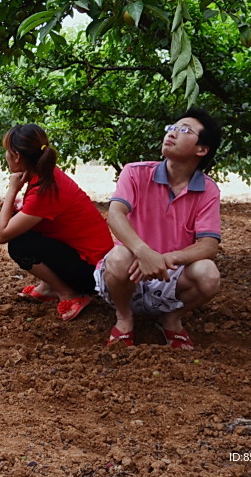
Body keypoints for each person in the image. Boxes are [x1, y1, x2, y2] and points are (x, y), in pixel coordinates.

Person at [96, 108, 223, 350]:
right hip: (128, 273)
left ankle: (171, 319)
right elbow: (115, 214)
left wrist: (164, 259)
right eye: (172, 128)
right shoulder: (135, 172)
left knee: (208, 274)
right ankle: (124, 319)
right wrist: (143, 252)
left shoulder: (208, 189)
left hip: (168, 275)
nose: (172, 133)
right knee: (120, 255)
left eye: (184, 130)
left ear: (202, 150)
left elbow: (209, 245)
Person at [0, 124, 113, 321]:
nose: (6, 156)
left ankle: (70, 294)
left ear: (16, 156)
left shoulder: (45, 189)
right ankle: (48, 287)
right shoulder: (47, 176)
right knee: (25, 229)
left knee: (19, 245)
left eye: (7, 151)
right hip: (93, 263)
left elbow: (2, 235)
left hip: (93, 275)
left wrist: (12, 190)